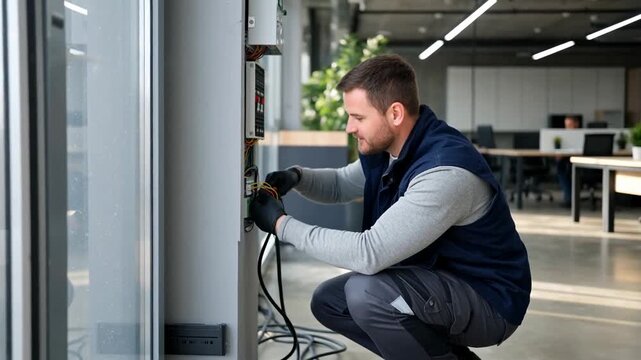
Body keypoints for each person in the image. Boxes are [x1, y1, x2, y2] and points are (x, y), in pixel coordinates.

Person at [250, 54, 531, 359]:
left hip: (489, 299)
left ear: (395, 113)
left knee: (366, 294)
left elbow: (368, 254)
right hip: (439, 280)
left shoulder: (444, 172)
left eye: (358, 117)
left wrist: (281, 225)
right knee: (329, 300)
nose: (349, 127)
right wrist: (296, 177)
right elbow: (342, 184)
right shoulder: (393, 149)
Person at [556, 115, 581, 208]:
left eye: (570, 125)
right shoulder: (564, 137)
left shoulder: (582, 135)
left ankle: (570, 198)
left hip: (585, 163)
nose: (568, 128)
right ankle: (569, 197)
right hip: (568, 161)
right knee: (560, 166)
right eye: (566, 125)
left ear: (576, 124)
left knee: (562, 169)